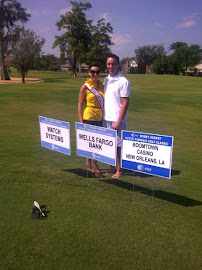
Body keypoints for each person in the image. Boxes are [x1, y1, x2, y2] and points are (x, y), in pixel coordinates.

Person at [103, 54, 131, 179]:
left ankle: (120, 170)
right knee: (109, 145)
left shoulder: (123, 82)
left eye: (113, 64)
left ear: (118, 65)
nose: (110, 66)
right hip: (106, 118)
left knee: (119, 146)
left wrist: (119, 121)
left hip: (117, 119)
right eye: (109, 64)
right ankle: (111, 167)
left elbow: (125, 103)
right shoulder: (106, 80)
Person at [78, 61, 104, 178]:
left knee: (97, 143)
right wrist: (80, 121)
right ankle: (93, 165)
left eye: (97, 72)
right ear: (89, 72)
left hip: (99, 117)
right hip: (88, 116)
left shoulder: (103, 86)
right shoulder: (85, 87)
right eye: (92, 72)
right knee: (90, 143)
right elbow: (80, 104)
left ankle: (89, 164)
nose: (95, 74)